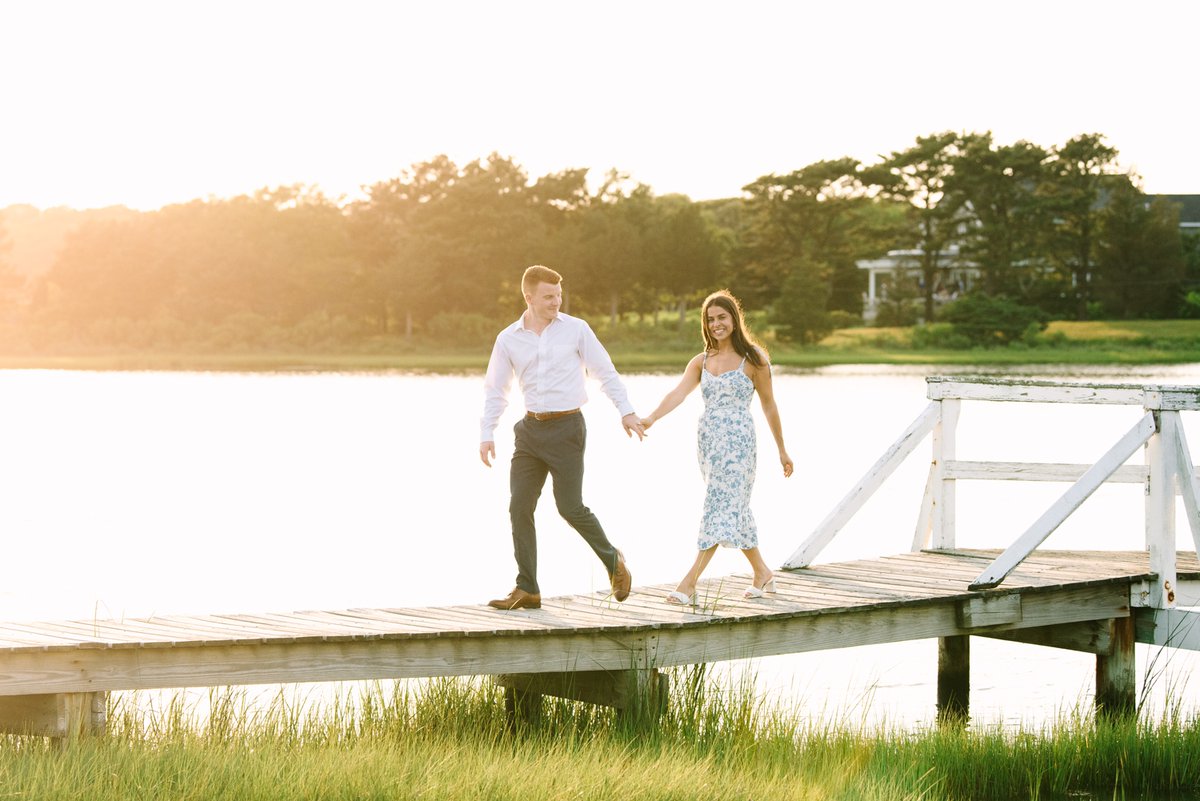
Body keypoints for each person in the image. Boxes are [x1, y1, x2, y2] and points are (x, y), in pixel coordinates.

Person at [480, 265, 645, 610]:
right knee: (519, 507)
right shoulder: (508, 338)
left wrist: (626, 411)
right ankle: (527, 588)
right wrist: (487, 431)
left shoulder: (576, 329)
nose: (556, 302)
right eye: (548, 296)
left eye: (558, 295)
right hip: (529, 432)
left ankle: (613, 561)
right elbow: (496, 388)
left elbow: (605, 372)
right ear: (528, 297)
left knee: (569, 507)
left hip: (567, 428)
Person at [640, 289, 793, 603]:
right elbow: (678, 393)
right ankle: (762, 573)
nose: (716, 324)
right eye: (710, 319)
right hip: (709, 442)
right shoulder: (702, 361)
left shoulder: (754, 359)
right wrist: (651, 417)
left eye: (721, 317)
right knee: (733, 507)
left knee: (719, 506)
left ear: (734, 319)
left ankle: (689, 582)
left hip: (739, 443)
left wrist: (782, 450)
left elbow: (769, 405)